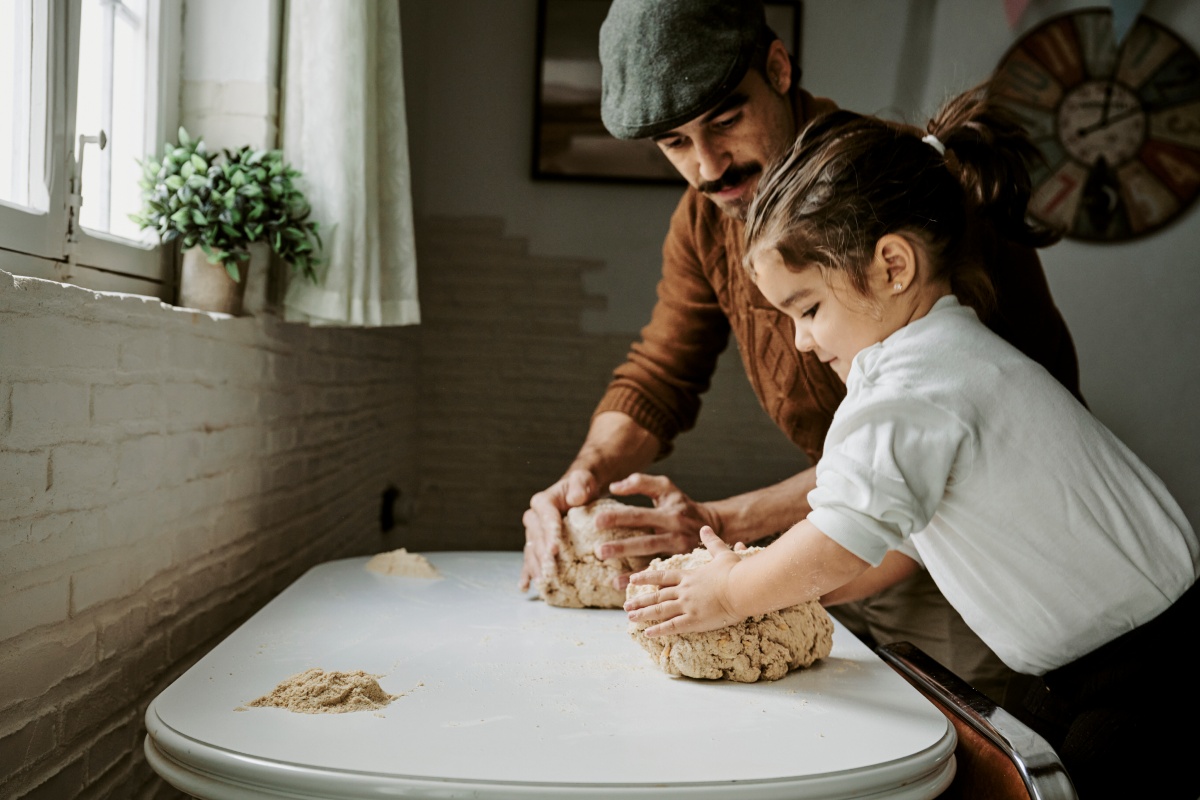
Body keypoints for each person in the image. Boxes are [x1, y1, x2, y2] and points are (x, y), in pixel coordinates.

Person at [623, 84, 1200, 799]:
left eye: (808, 309)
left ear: (892, 266)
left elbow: (840, 535)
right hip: (1104, 660)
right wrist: (776, 587)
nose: (801, 342)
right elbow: (894, 545)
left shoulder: (916, 383)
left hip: (1147, 675)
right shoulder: (939, 356)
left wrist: (735, 592)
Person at [519, 0, 1082, 707]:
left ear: (779, 69)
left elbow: (988, 414)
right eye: (675, 144)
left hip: (970, 554)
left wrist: (727, 524)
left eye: (725, 119)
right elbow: (660, 374)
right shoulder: (704, 218)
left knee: (959, 757)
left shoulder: (911, 188)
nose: (709, 166)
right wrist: (586, 473)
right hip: (833, 537)